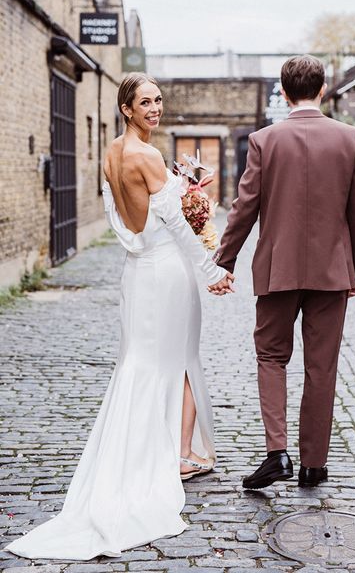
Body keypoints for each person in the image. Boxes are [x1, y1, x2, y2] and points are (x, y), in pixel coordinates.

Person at [4, 73, 233, 560]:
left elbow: (123, 222)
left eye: (159, 99)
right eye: (145, 102)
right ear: (126, 108)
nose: (156, 107)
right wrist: (213, 271)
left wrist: (157, 225)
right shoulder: (148, 156)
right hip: (168, 271)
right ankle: (178, 456)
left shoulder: (111, 152)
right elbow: (175, 226)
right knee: (181, 359)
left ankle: (158, 450)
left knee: (141, 361)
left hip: (137, 271)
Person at [209, 55, 355, 489]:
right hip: (331, 272)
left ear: (282, 92)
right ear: (323, 89)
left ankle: (277, 453)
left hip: (277, 270)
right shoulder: (350, 137)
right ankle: (313, 465)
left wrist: (224, 260)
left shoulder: (264, 140)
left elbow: (244, 208)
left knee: (271, 357)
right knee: (322, 367)